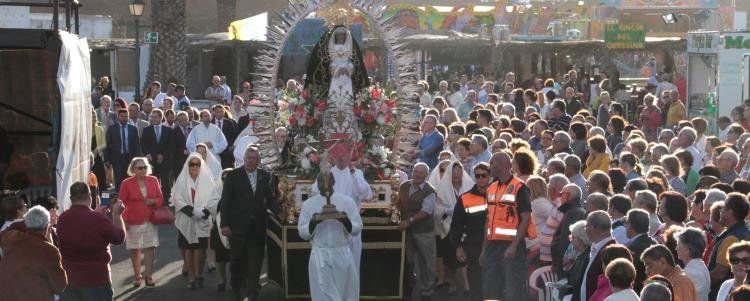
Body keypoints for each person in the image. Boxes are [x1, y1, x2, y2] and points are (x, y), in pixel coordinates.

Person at [220, 146, 280, 301]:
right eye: (248, 158)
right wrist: (224, 224)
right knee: (237, 260)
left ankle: (252, 293)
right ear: (244, 159)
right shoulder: (233, 176)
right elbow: (225, 201)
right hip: (237, 227)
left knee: (256, 261)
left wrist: (280, 213)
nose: (250, 161)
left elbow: (270, 198)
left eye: (254, 158)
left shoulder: (265, 176)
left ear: (258, 161)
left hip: (258, 227)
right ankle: (236, 287)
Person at [298, 170, 363, 301]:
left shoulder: (347, 201)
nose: (324, 184)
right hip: (320, 255)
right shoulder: (309, 204)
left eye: (327, 180)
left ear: (333, 182)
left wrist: (345, 220)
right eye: (321, 180)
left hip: (342, 253)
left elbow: (357, 228)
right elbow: (302, 233)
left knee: (344, 294)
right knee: (322, 296)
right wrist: (313, 222)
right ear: (317, 183)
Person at [58, 182, 126, 301]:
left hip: (69, 279)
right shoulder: (98, 219)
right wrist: (117, 214)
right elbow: (118, 238)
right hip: (96, 280)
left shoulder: (62, 218)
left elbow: (81, 226)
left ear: (71, 198)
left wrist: (95, 213)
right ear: (90, 196)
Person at [310, 141, 372, 270]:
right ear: (333, 156)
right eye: (338, 153)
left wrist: (353, 172)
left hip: (352, 224)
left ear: (350, 156)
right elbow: (315, 193)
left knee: (353, 264)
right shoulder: (326, 173)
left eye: (344, 153)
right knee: (332, 265)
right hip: (331, 224)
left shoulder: (357, 173)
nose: (341, 157)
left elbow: (365, 194)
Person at [482, 151, 533, 300]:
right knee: (490, 289)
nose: (489, 167)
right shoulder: (491, 188)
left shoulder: (520, 187)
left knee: (513, 290)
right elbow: (488, 220)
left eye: (492, 163)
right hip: (492, 246)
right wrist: (484, 250)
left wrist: (514, 246)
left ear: (504, 165)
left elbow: (526, 219)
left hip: (512, 247)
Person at [0, 205, 67, 301]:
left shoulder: (12, 237)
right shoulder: (49, 250)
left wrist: (29, 219)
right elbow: (60, 286)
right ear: (47, 226)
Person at [173, 154, 219, 289]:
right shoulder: (181, 180)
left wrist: (204, 212)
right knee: (188, 249)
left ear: (201, 165)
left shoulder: (208, 180)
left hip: (202, 218)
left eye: (197, 164)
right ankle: (192, 277)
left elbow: (214, 198)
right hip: (186, 218)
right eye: (191, 164)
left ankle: (199, 274)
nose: (194, 167)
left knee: (201, 249)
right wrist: (191, 211)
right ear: (187, 165)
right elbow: (177, 198)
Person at [118, 157, 163, 287]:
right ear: (133, 170)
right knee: (135, 249)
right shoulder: (126, 183)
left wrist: (153, 201)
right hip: (132, 220)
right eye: (139, 168)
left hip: (150, 219)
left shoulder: (153, 180)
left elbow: (160, 199)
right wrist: (124, 220)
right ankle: (137, 276)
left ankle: (148, 276)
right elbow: (122, 203)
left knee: (150, 247)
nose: (143, 170)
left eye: (145, 167)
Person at [449, 163, 491, 301]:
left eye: (483, 175)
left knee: (495, 284)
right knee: (475, 283)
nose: (480, 179)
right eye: (477, 176)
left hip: (496, 245)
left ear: (489, 177)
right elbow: (456, 226)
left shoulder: (498, 196)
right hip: (474, 246)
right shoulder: (465, 198)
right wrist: (458, 246)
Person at [399, 163, 437, 301]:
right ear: (412, 172)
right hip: (407, 232)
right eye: (416, 171)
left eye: (421, 173)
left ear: (426, 176)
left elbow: (426, 211)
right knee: (407, 261)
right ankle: (407, 290)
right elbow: (399, 203)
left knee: (427, 262)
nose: (418, 174)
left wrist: (408, 221)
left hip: (423, 231)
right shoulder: (404, 186)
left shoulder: (430, 191)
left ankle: (427, 292)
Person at [434, 161, 473, 294]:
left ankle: (467, 284)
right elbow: (436, 210)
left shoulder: (470, 187)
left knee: (464, 257)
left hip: (466, 227)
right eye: (454, 171)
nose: (456, 173)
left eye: (459, 170)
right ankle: (452, 281)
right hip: (447, 226)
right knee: (448, 257)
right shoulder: (441, 189)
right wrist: (447, 211)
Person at [708, 192, 750, 298]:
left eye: (723, 208)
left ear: (730, 212)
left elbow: (719, 273)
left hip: (726, 294)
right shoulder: (743, 231)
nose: (720, 211)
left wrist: (701, 283)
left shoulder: (732, 238)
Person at [141, 108, 174, 203]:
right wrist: (147, 154)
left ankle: (165, 201)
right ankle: (153, 200)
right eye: (152, 117)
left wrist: (163, 155)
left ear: (160, 118)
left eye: (155, 117)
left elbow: (171, 146)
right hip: (151, 161)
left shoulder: (168, 130)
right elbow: (143, 144)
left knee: (165, 182)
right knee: (152, 181)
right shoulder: (147, 130)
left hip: (165, 161)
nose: (152, 119)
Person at [581, 210, 616, 301]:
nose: (585, 229)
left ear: (592, 228)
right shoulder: (596, 247)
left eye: (586, 226)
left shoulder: (612, 252)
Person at [105, 108, 141, 191]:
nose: (124, 118)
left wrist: (137, 159)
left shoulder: (133, 129)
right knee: (118, 179)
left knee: (130, 178)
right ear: (118, 116)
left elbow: (137, 145)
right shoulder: (112, 128)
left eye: (126, 116)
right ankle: (119, 197)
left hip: (130, 157)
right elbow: (107, 144)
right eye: (122, 116)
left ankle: (130, 197)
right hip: (117, 158)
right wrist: (106, 159)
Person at [623, 208, 657, 292]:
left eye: (626, 222)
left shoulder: (632, 248)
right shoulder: (654, 242)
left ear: (631, 225)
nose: (625, 226)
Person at [675, 227, 710, 301]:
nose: (676, 248)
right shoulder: (700, 266)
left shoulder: (690, 273)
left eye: (678, 245)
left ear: (687, 250)